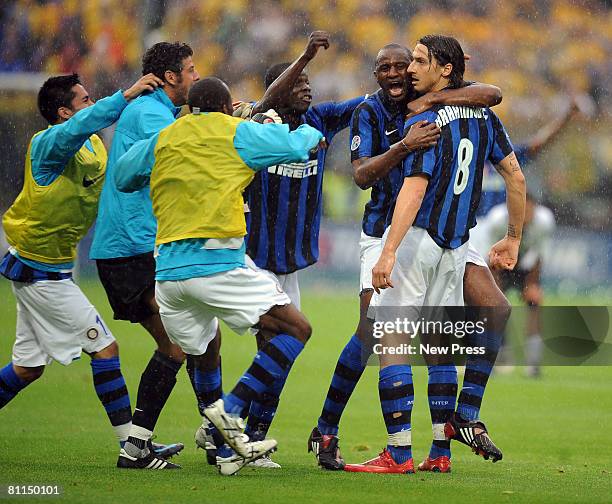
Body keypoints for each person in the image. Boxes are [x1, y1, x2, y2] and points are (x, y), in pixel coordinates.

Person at [309, 43, 509, 474]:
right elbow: (362, 175)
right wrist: (403, 146)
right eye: (386, 67)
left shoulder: (438, 99)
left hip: (442, 231)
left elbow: (491, 93)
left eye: (405, 65)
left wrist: (437, 98)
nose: (397, 73)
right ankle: (329, 429)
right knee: (375, 334)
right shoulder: (369, 111)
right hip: (385, 232)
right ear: (376, 74)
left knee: (471, 322)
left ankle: (442, 447)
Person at [113, 77, 324, 475]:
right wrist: (308, 130)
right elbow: (299, 145)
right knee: (296, 329)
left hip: (170, 275)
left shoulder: (166, 137)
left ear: (191, 108)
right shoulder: (236, 132)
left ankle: (165, 442)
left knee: (204, 346)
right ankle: (225, 417)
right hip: (217, 263)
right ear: (228, 108)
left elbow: (123, 176)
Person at [0, 72, 167, 458]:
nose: (93, 105)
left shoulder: (93, 145)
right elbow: (86, 123)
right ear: (64, 112)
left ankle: (132, 442)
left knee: (27, 369)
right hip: (40, 271)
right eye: (85, 99)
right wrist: (124, 95)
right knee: (105, 348)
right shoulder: (47, 145)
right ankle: (131, 445)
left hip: (55, 266)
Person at [88, 42, 211, 468]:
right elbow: (186, 147)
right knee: (181, 342)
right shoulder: (148, 113)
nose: (195, 76)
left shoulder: (154, 111)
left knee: (192, 337)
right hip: (131, 249)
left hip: (137, 247)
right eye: (191, 70)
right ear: (171, 76)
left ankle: (160, 439)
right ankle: (141, 446)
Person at [480, 194, 555, 377]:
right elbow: (490, 258)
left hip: (525, 266)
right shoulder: (497, 220)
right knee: (493, 307)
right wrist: (495, 292)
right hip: (498, 264)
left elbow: (539, 255)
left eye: (529, 212)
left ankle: (533, 362)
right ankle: (497, 353)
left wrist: (532, 285)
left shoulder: (544, 222)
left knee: (535, 303)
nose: (525, 217)